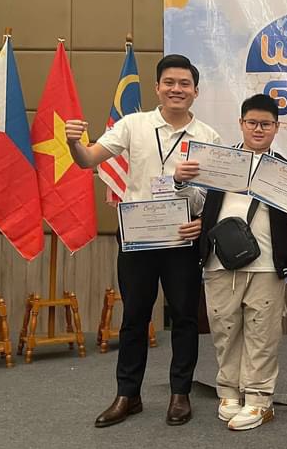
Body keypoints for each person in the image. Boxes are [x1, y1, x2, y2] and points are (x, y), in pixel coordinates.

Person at [65, 54, 220, 428]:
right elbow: (87, 160)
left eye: (184, 84)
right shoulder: (132, 125)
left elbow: (215, 195)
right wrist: (73, 143)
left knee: (184, 317)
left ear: (196, 91)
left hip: (181, 239)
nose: (176, 89)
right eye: (170, 82)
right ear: (157, 87)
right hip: (138, 239)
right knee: (134, 316)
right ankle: (127, 394)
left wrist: (202, 223)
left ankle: (180, 393)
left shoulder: (208, 137)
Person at [178, 94, 287, 430]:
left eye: (266, 124)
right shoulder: (220, 161)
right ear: (241, 123)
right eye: (252, 122)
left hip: (267, 263)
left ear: (276, 128)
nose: (258, 129)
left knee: (263, 332)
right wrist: (181, 182)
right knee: (224, 327)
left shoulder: (286, 171)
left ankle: (259, 399)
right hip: (218, 262)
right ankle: (229, 391)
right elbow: (196, 203)